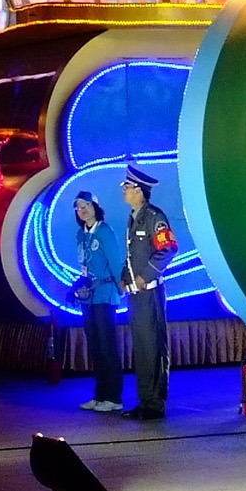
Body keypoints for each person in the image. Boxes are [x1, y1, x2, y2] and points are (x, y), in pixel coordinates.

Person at [119, 166, 177, 420]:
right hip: (136, 295)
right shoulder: (134, 218)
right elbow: (132, 255)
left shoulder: (154, 216)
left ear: (140, 191)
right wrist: (125, 277)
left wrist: (145, 276)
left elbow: (168, 248)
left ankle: (155, 403)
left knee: (153, 347)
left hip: (150, 293)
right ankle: (145, 400)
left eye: (128, 188)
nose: (124, 192)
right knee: (142, 348)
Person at [73, 191, 126, 412]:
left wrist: (121, 289)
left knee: (107, 346)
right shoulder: (81, 234)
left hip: (105, 295)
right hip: (89, 298)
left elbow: (116, 261)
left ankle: (113, 398)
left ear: (96, 207)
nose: (83, 210)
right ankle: (100, 394)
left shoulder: (104, 231)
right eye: (78, 207)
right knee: (95, 346)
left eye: (86, 205)